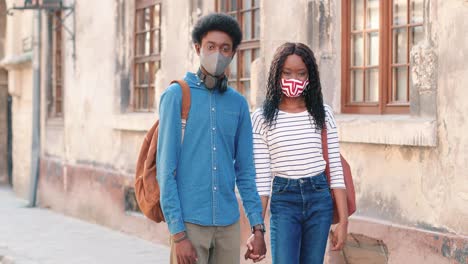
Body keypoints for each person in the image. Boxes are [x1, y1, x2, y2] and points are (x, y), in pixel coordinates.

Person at [157, 13, 267, 264]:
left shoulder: (238, 104)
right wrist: (178, 234)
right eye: (211, 46)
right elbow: (165, 172)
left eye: (225, 48)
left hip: (228, 226)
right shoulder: (176, 96)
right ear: (198, 48)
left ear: (232, 54)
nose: (218, 53)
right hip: (190, 224)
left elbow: (246, 171)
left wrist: (257, 227)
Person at [248, 42, 349, 264]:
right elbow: (263, 179)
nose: (294, 79)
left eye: (301, 73)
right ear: (277, 75)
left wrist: (343, 223)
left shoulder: (323, 114)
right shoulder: (261, 118)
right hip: (284, 200)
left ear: (310, 77)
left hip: (319, 198)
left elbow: (335, 168)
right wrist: (257, 229)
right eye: (287, 73)